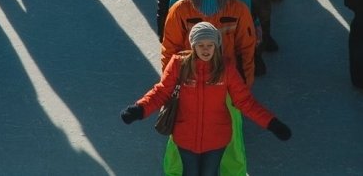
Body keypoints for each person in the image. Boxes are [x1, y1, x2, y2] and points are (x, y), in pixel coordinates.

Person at [120, 22, 291, 176]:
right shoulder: (179, 64)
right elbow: (161, 92)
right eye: (201, 45)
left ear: (216, 46)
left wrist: (272, 123)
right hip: (185, 134)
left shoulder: (226, 68)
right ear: (193, 46)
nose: (206, 49)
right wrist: (139, 109)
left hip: (216, 137)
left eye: (210, 45)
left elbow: (245, 102)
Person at [161, 0, 259, 176]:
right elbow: (170, 50)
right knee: (180, 139)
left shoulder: (239, 10)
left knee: (232, 139)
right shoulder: (180, 10)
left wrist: (244, 87)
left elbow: (247, 50)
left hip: (226, 85)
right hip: (189, 84)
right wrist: (170, 86)